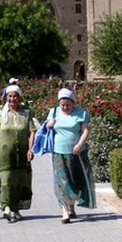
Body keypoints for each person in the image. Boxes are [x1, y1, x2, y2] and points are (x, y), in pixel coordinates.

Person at [0, 84, 38, 222]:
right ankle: (6, 207)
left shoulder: (26, 113)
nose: (12, 99)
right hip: (5, 154)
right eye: (9, 96)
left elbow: (32, 132)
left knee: (20, 180)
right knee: (6, 180)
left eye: (15, 96)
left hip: (22, 153)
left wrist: (30, 149)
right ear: (5, 98)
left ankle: (15, 208)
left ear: (19, 97)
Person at [45, 87, 96, 224]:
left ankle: (72, 207)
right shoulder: (54, 112)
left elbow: (85, 131)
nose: (65, 107)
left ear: (73, 103)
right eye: (62, 105)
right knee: (61, 181)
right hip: (58, 152)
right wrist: (49, 124)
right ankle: (65, 211)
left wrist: (80, 144)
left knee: (74, 180)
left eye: (68, 105)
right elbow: (47, 128)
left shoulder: (81, 113)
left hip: (77, 152)